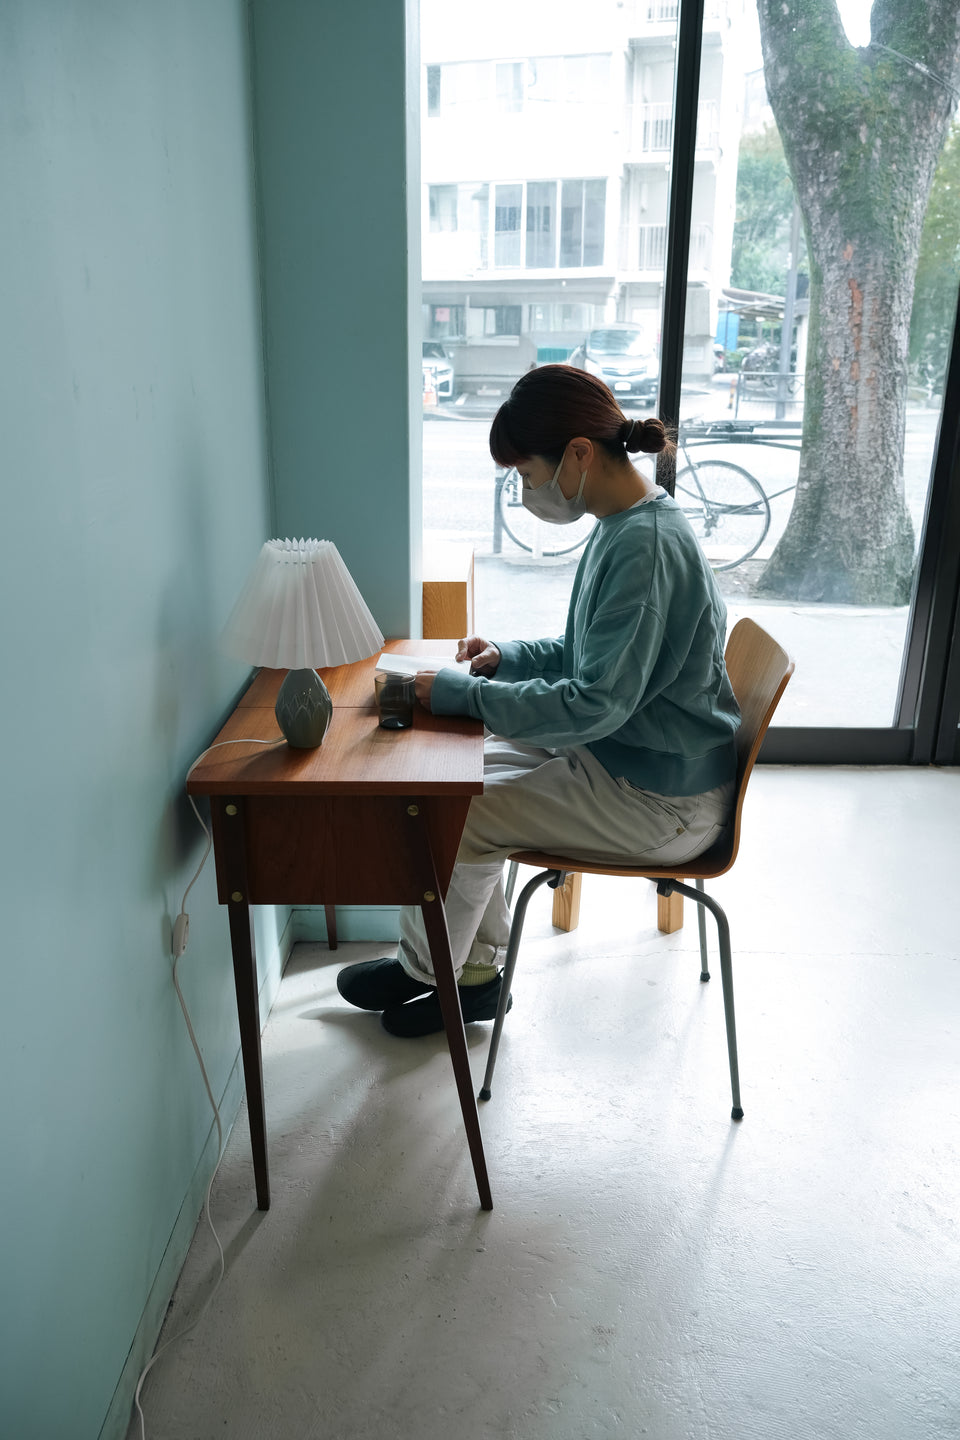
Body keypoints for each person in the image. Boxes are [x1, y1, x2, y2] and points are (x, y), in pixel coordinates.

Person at [337, 364, 741, 1037]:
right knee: (454, 791)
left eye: (527, 475)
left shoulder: (643, 546)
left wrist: (467, 695)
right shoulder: (628, 521)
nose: (527, 492)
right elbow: (594, 652)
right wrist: (509, 659)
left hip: (663, 801)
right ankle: (461, 973)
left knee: (462, 821)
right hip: (632, 755)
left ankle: (444, 976)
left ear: (578, 454)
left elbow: (594, 702)